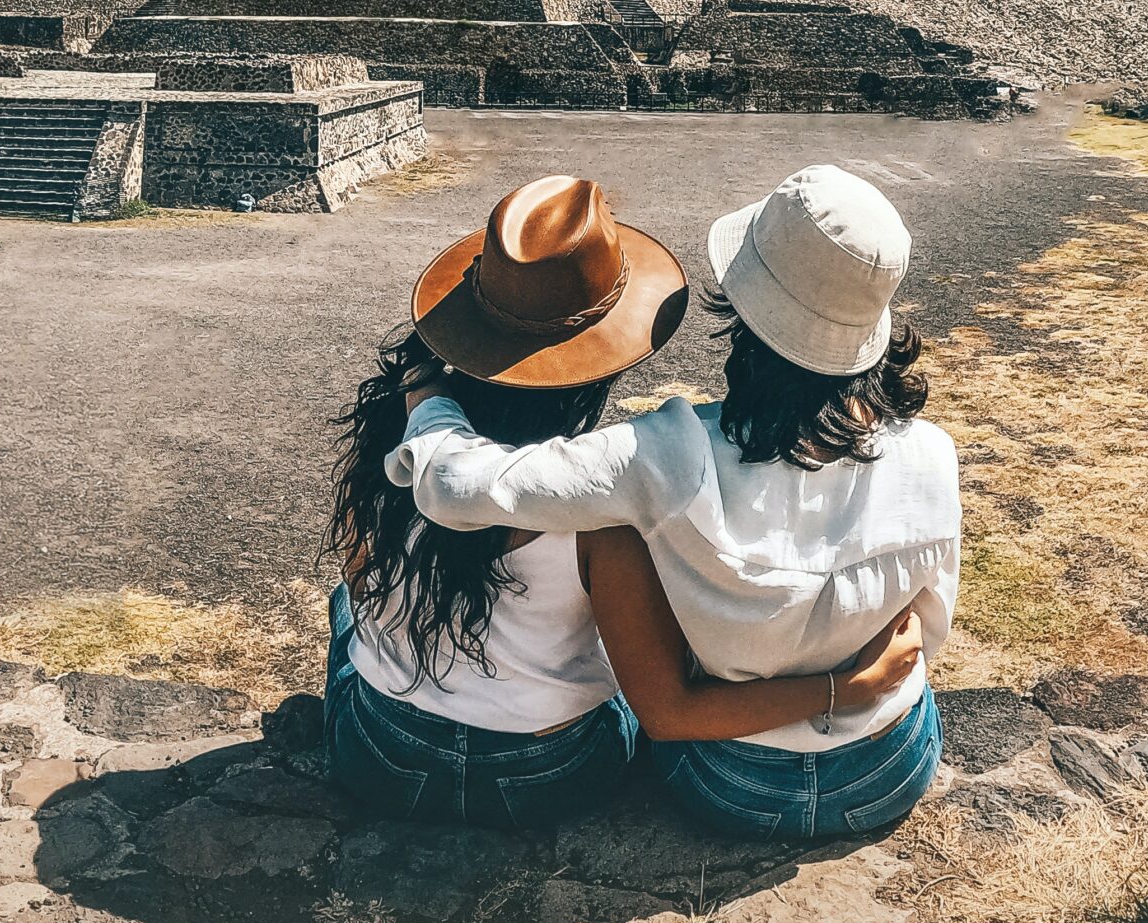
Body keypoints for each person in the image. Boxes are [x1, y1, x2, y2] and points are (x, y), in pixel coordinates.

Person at [325, 175, 927, 829]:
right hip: (547, 775)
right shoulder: (605, 507)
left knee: (342, 610)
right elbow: (662, 702)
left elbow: (365, 574)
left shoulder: (394, 446)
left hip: (381, 757)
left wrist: (421, 394)